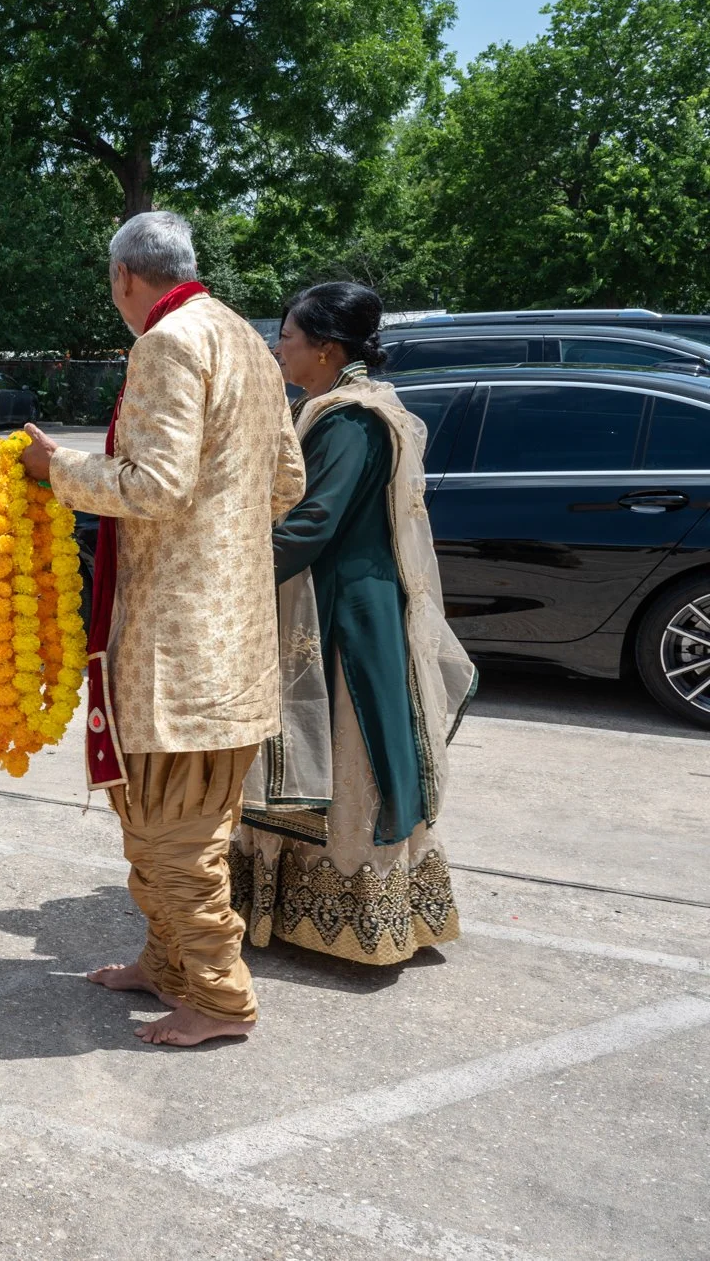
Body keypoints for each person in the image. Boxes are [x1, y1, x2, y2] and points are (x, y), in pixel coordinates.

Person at [19, 210, 305, 1047]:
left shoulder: (168, 341)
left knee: (172, 834)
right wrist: (223, 534)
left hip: (177, 641)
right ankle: (167, 962)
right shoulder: (246, 340)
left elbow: (156, 485)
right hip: (234, 634)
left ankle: (218, 997)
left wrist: (57, 468)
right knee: (165, 818)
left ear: (122, 278)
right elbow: (286, 481)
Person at [234, 282, 477, 964]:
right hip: (346, 598)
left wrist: (227, 570)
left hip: (341, 610)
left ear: (328, 349)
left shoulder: (350, 419)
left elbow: (314, 522)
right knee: (333, 748)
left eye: (287, 336)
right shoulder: (347, 407)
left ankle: (356, 915)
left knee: (346, 746)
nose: (277, 347)